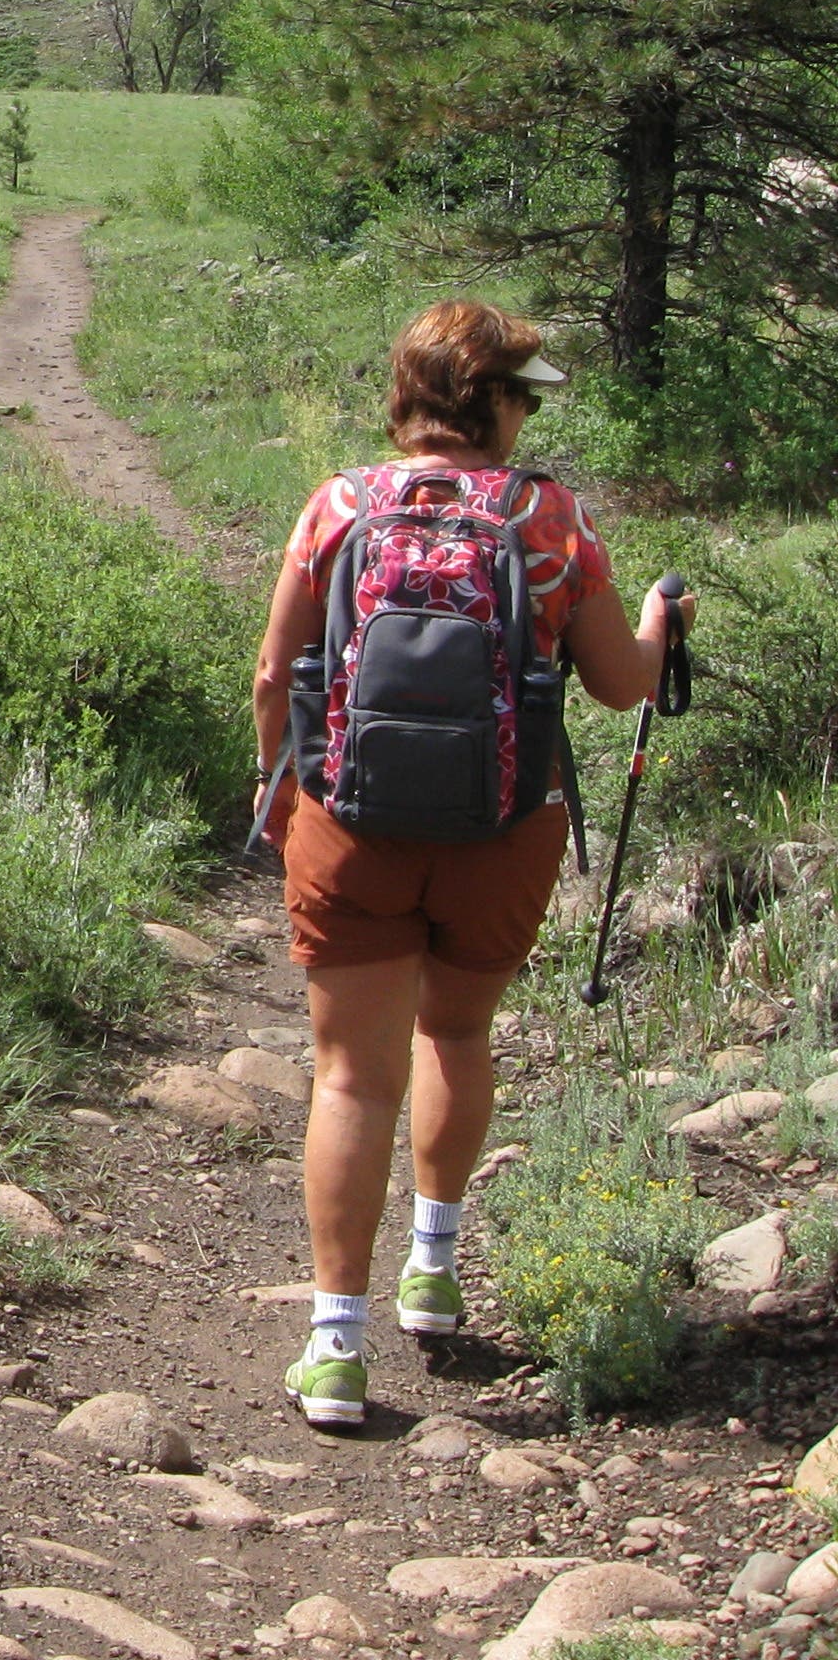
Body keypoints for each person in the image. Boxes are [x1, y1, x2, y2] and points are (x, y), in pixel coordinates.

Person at [250, 301, 689, 1429]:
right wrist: (653, 622)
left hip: (351, 822)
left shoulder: (338, 507)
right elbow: (620, 687)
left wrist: (278, 782)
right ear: (488, 400)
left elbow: (274, 674)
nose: (530, 408)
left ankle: (335, 1348)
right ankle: (433, 1274)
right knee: (455, 1032)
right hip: (506, 825)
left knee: (351, 1077)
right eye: (524, 391)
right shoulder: (549, 521)